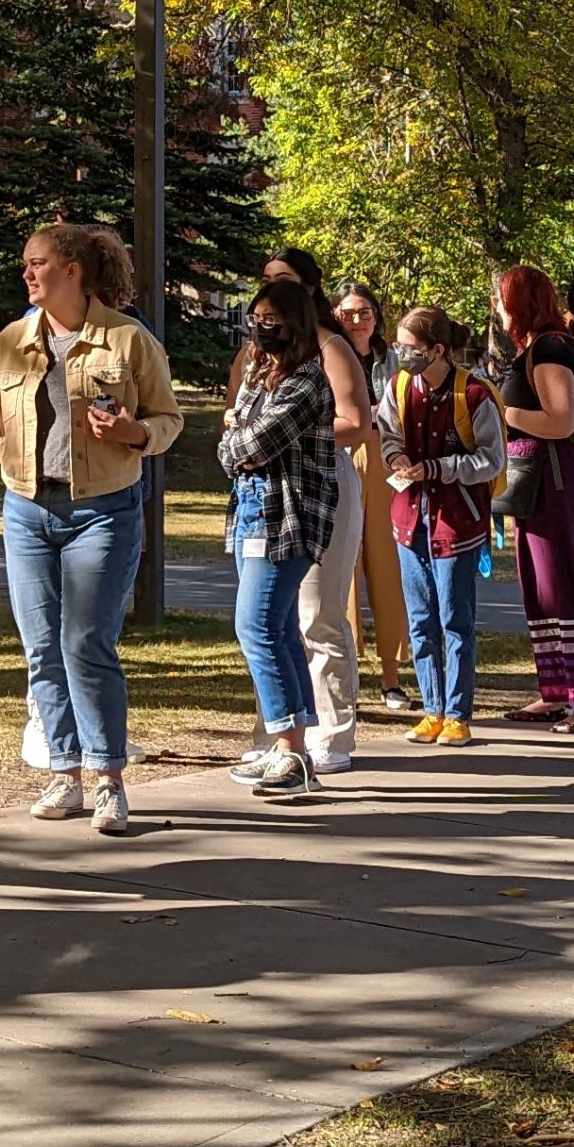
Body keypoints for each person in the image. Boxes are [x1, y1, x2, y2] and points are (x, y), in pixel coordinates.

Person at [0, 223, 183, 838]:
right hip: (27, 510)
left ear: (72, 270)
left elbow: (167, 419)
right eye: (25, 265)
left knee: (85, 644)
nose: (27, 274)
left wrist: (133, 435)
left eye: (37, 264)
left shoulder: (127, 339)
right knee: (41, 647)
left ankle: (109, 778)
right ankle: (63, 771)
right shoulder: (13, 340)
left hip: (104, 510)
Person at [232, 249, 369, 776]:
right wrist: (250, 438)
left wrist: (287, 435)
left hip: (317, 489)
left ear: (309, 291)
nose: (269, 304)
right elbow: (234, 427)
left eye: (284, 285)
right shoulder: (256, 356)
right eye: (264, 287)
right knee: (271, 618)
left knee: (317, 615)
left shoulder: (328, 350)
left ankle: (328, 736)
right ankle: (280, 734)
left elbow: (354, 422)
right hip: (260, 496)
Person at [218, 279, 343, 796]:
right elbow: (231, 442)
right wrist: (232, 440)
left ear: (295, 323)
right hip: (249, 513)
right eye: (255, 318)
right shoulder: (256, 373)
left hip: (288, 517)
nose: (260, 328)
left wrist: (232, 439)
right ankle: (291, 745)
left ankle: (291, 749)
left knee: (256, 628)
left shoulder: (308, 380)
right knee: (280, 629)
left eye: (271, 320)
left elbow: (254, 441)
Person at [490, 264, 574, 730]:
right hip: (536, 487)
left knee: (569, 582)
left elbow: (562, 421)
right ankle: (557, 690)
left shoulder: (550, 348)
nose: (498, 309)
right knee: (541, 587)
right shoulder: (535, 348)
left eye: (502, 300)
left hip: (560, 482)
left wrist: (505, 411)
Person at [377, 307, 503, 746]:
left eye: (410, 348)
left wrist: (437, 467)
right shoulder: (398, 386)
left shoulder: (473, 394)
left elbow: (491, 460)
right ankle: (431, 709)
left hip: (457, 519)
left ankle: (457, 713)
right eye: (398, 346)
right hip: (409, 518)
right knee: (420, 618)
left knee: (455, 618)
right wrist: (395, 458)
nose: (402, 354)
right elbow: (388, 434)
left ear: (437, 350)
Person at [333, 283, 413, 711]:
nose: (357, 320)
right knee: (343, 570)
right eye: (348, 313)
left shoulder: (394, 360)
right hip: (341, 456)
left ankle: (390, 677)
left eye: (364, 311)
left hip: (384, 458)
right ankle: (346, 676)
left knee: (387, 566)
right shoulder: (327, 355)